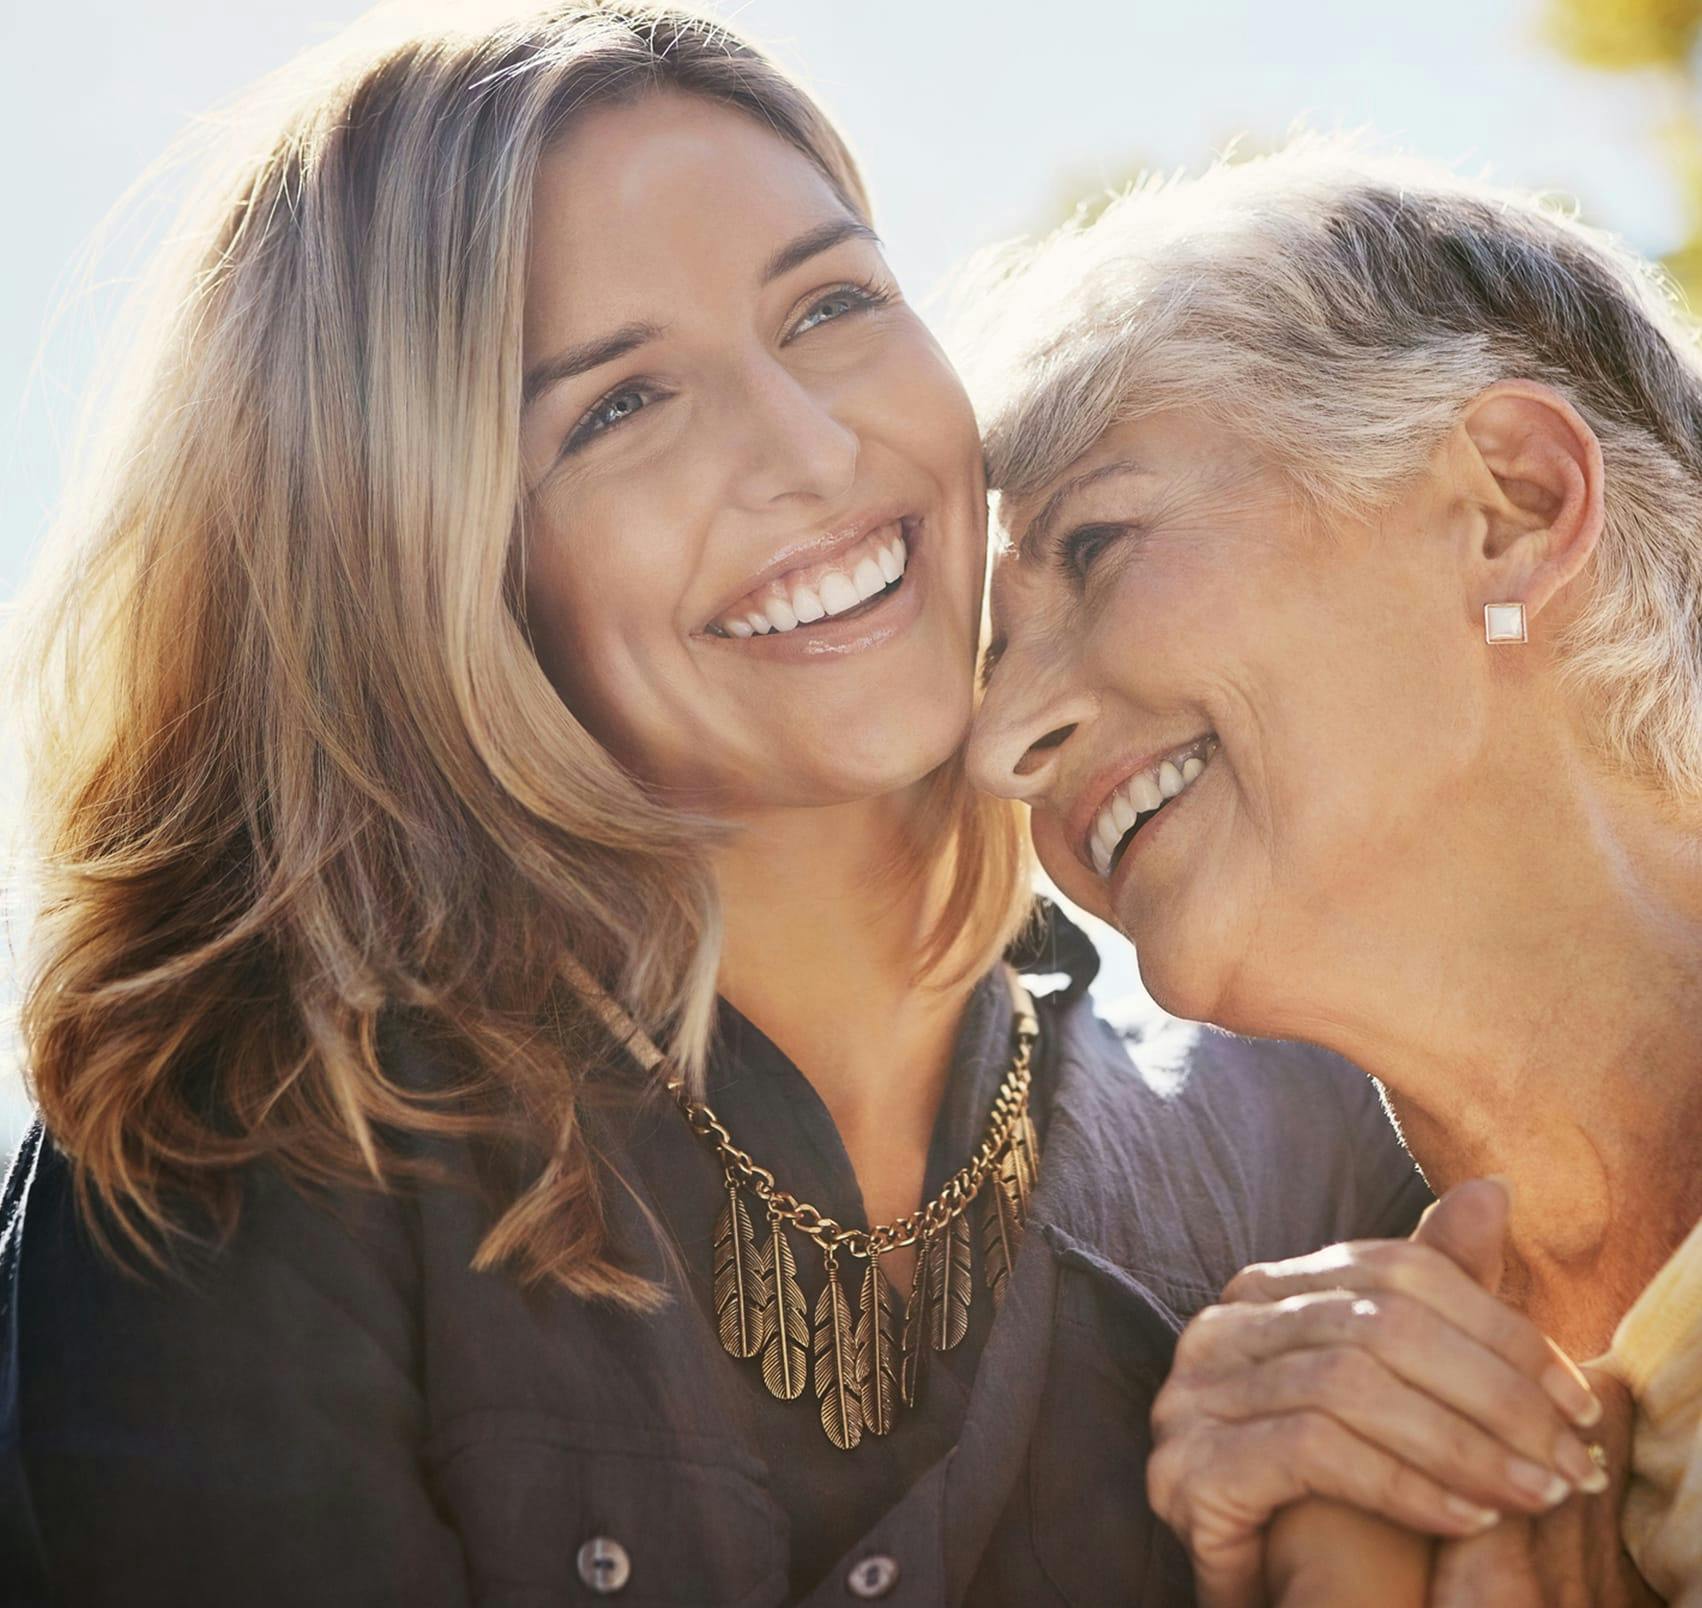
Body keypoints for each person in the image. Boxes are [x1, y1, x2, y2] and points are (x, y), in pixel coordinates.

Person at [0, 14, 1444, 1605]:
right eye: (618, 407)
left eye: (830, 305)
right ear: (424, 565)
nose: (813, 453)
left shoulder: (1305, 1118)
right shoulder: (254, 1142)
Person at [965, 141, 1702, 1604]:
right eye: (980, 665)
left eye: (1097, 546)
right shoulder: (1297, 1429)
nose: (997, 744)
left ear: (1509, 504)